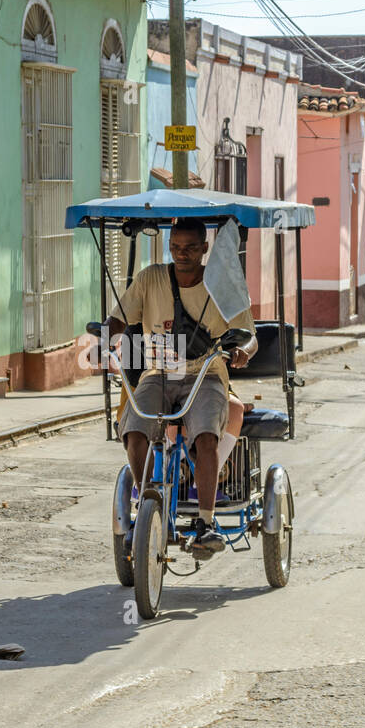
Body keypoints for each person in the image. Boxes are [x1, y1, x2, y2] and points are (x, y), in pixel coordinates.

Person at [100, 217, 257, 552]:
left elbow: (250, 336)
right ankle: (146, 501)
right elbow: (119, 319)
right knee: (134, 429)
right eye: (175, 247)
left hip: (206, 374)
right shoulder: (150, 278)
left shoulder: (222, 284)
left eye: (189, 248)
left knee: (205, 438)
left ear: (204, 248)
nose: (181, 254)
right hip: (158, 373)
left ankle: (205, 522)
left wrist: (242, 350)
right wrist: (105, 336)